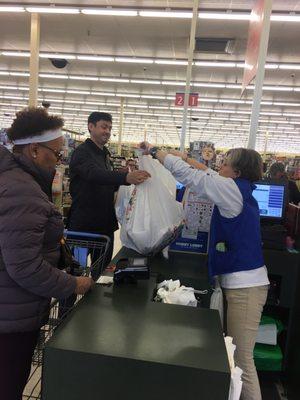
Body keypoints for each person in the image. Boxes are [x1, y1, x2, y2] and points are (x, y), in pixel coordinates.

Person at [141, 143, 269, 400]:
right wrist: (185, 157)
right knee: (235, 355)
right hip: (241, 283)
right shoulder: (238, 189)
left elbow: (195, 177)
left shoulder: (231, 191)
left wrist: (157, 153)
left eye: (225, 163)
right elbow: (207, 173)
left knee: (243, 361)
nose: (219, 166)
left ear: (236, 171)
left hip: (246, 288)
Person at [0, 107, 93, 400]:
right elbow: (25, 267)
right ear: (35, 151)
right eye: (56, 153)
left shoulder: (14, 181)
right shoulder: (23, 192)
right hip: (11, 316)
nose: (59, 160)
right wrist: (73, 285)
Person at [68, 112, 150, 270]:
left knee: (102, 271)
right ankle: (71, 295)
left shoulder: (105, 154)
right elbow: (93, 174)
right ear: (90, 127)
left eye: (110, 128)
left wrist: (133, 185)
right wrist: (126, 177)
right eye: (103, 127)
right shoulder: (82, 152)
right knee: (75, 271)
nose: (107, 131)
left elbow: (108, 183)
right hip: (83, 227)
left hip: (105, 225)